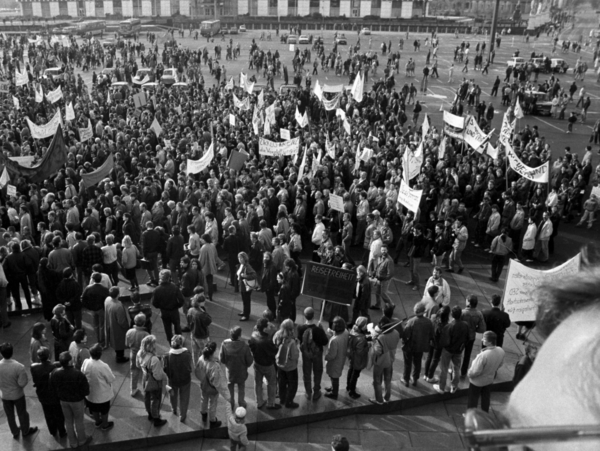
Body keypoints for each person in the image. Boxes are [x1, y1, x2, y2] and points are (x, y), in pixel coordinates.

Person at [49, 351, 92, 448]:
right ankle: (82, 440)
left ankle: (73, 443)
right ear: (69, 362)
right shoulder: (78, 374)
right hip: (77, 401)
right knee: (79, 420)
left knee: (68, 421)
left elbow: (52, 387)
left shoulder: (55, 372)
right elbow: (86, 391)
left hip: (63, 400)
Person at [0, 342, 39, 439]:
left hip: (5, 395)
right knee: (22, 413)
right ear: (12, 353)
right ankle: (25, 430)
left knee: (10, 415)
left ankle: (15, 432)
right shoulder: (18, 366)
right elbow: (22, 383)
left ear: (1, 354)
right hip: (17, 395)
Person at [30, 347, 66, 438]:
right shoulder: (54, 367)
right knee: (58, 413)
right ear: (49, 355)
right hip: (54, 395)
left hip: (42, 394)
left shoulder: (33, 367)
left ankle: (52, 431)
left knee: (48, 413)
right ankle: (62, 431)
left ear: (38, 356)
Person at [434, 306, 470, 394]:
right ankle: (454, 386)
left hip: (448, 350)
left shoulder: (449, 326)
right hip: (459, 350)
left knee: (444, 368)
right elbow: (468, 338)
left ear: (452, 315)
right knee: (456, 368)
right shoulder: (465, 325)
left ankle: (441, 387)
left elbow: (444, 341)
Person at [466, 331, 505, 413]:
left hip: (477, 382)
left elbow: (476, 371)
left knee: (473, 398)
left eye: (484, 338)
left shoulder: (483, 355)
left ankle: (471, 415)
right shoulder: (501, 350)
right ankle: (485, 412)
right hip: (489, 379)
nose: (482, 340)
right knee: (486, 397)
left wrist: (469, 374)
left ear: (490, 341)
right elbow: (500, 364)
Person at [81, 344, 116, 431]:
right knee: (104, 410)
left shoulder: (86, 362)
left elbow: (82, 372)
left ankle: (97, 422)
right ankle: (105, 425)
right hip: (102, 394)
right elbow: (111, 379)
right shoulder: (103, 366)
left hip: (90, 392)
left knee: (94, 409)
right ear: (100, 354)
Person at [297, 307, 329, 401]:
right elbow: (325, 342)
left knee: (306, 373)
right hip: (317, 354)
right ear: (313, 316)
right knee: (317, 372)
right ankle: (316, 392)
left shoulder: (301, 328)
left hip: (306, 354)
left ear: (304, 316)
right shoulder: (318, 329)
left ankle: (308, 392)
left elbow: (300, 340)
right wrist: (322, 329)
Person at [248, 318, 281, 410]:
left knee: (257, 382)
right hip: (268, 365)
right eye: (267, 325)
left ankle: (259, 402)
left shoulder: (253, 335)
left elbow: (251, 347)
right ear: (264, 328)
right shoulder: (267, 340)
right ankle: (271, 403)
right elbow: (274, 351)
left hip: (257, 363)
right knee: (271, 383)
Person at [401, 302, 434, 387]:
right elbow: (431, 335)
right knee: (417, 362)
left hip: (410, 346)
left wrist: (404, 342)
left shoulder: (411, 321)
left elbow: (405, 334)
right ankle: (415, 379)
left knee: (407, 363)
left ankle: (406, 379)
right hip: (420, 346)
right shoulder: (429, 322)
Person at [137, 335, 167, 427]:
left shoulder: (139, 353)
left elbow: (137, 365)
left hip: (145, 378)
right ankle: (156, 419)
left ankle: (149, 414)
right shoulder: (154, 359)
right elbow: (158, 375)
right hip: (153, 380)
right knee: (155, 399)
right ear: (151, 346)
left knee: (147, 396)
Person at [220, 326, 254, 409]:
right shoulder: (245, 346)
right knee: (241, 386)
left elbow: (222, 359)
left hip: (230, 371)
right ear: (239, 335)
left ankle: (231, 403)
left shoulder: (224, 344)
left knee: (230, 387)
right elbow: (249, 360)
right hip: (241, 371)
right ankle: (241, 402)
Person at [369, 316, 401, 405]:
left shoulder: (381, 337)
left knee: (377, 380)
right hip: (390, 359)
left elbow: (377, 351)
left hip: (381, 361)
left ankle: (379, 400)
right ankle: (387, 397)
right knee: (388, 379)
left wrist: (373, 342)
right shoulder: (396, 332)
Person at [164, 335, 193, 422]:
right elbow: (189, 366)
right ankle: (183, 415)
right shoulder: (187, 354)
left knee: (172, 394)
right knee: (184, 397)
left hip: (172, 380)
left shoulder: (167, 356)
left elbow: (165, 369)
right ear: (181, 344)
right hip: (185, 380)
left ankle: (174, 409)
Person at [151, 269, 185, 343]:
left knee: (167, 328)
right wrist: (177, 306)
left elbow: (154, 303)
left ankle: (170, 342)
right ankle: (179, 340)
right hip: (174, 310)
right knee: (177, 326)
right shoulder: (174, 287)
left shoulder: (157, 290)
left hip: (164, 312)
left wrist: (160, 306)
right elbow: (181, 300)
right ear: (169, 277)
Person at [195, 341, 223, 428]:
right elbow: (216, 380)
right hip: (212, 388)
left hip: (204, 385)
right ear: (213, 352)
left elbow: (197, 371)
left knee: (203, 399)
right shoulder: (215, 365)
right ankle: (212, 420)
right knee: (213, 403)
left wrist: (202, 380)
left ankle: (203, 412)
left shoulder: (201, 358)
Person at [273, 318, 300, 408]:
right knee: (292, 384)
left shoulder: (277, 335)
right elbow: (294, 356)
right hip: (290, 367)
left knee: (281, 382)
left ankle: (282, 398)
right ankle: (289, 402)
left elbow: (274, 343)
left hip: (280, 364)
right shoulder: (291, 341)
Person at [461, 295, 487, 377]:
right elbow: (482, 328)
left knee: (457, 354)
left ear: (468, 302)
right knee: (467, 355)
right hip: (471, 337)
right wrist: (474, 329)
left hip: (461, 337)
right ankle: (463, 372)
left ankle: (453, 370)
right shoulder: (479, 314)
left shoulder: (462, 312)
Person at [81, 271, 109, 348]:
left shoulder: (88, 288)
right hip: (101, 309)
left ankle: (97, 339)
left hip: (92, 309)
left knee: (95, 325)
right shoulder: (104, 289)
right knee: (102, 325)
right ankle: (102, 341)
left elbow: (83, 299)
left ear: (93, 279)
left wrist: (88, 307)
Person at [424, 305, 451, 383]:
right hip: (438, 345)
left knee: (429, 357)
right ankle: (430, 376)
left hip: (431, 341)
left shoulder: (433, 317)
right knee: (435, 360)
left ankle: (425, 375)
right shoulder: (446, 325)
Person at [125, 313, 149, 397]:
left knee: (134, 372)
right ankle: (147, 389)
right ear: (144, 322)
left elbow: (127, 344)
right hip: (144, 356)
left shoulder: (129, 332)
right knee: (146, 372)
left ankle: (133, 389)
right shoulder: (146, 335)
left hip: (133, 355)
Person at [104, 286, 130, 363]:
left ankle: (118, 355)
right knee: (119, 343)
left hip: (110, 324)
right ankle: (120, 358)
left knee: (115, 342)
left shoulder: (107, 299)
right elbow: (121, 321)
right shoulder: (118, 306)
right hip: (118, 329)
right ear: (118, 294)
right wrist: (127, 327)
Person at [346, 316, 369, 399]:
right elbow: (360, 352)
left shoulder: (352, 331)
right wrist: (368, 346)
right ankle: (352, 391)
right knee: (355, 374)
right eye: (366, 324)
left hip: (352, 357)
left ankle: (348, 386)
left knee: (351, 370)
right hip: (358, 359)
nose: (367, 325)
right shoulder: (361, 339)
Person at [187, 290, 212, 363]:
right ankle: (206, 367)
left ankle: (196, 366)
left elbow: (189, 321)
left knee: (195, 353)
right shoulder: (201, 314)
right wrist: (204, 311)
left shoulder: (190, 310)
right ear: (200, 303)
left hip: (193, 334)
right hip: (202, 336)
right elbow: (209, 320)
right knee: (205, 352)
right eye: (204, 301)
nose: (205, 302)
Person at [368, 244, 394, 309]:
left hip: (384, 280)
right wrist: (374, 273)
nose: (383, 251)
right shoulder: (380, 257)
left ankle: (391, 305)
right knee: (377, 293)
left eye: (385, 250)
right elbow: (378, 267)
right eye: (382, 250)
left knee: (383, 294)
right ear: (380, 250)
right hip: (379, 278)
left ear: (387, 250)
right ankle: (378, 305)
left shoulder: (389, 261)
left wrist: (383, 278)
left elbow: (390, 274)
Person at [237, 251, 257, 321]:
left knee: (246, 300)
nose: (239, 259)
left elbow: (254, 274)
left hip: (246, 286)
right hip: (243, 286)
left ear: (244, 258)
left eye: (241, 258)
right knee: (244, 300)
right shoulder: (242, 265)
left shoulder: (247, 266)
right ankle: (244, 312)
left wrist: (245, 276)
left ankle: (246, 315)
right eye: (239, 258)